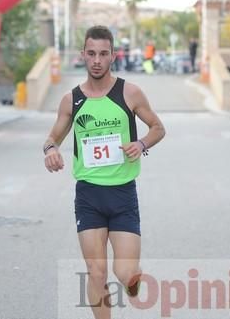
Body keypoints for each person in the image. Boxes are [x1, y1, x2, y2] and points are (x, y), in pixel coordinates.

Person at [42, 25, 165, 319]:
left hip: (123, 194)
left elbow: (158, 128)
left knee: (125, 272)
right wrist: (51, 151)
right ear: (83, 55)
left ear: (112, 56)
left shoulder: (130, 93)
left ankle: (132, 278)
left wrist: (141, 143)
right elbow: (51, 139)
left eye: (103, 54)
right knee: (96, 272)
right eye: (92, 53)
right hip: (89, 194)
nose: (97, 60)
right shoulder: (71, 100)